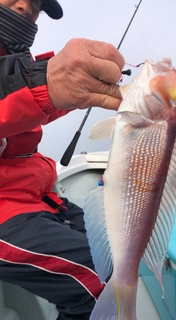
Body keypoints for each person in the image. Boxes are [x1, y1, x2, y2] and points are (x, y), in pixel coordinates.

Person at [0, 1, 125, 319]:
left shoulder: (17, 57)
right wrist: (47, 82)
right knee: (97, 283)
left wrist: (70, 89)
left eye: (38, 3)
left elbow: (18, 108)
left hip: (37, 198)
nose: (27, 6)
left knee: (118, 247)